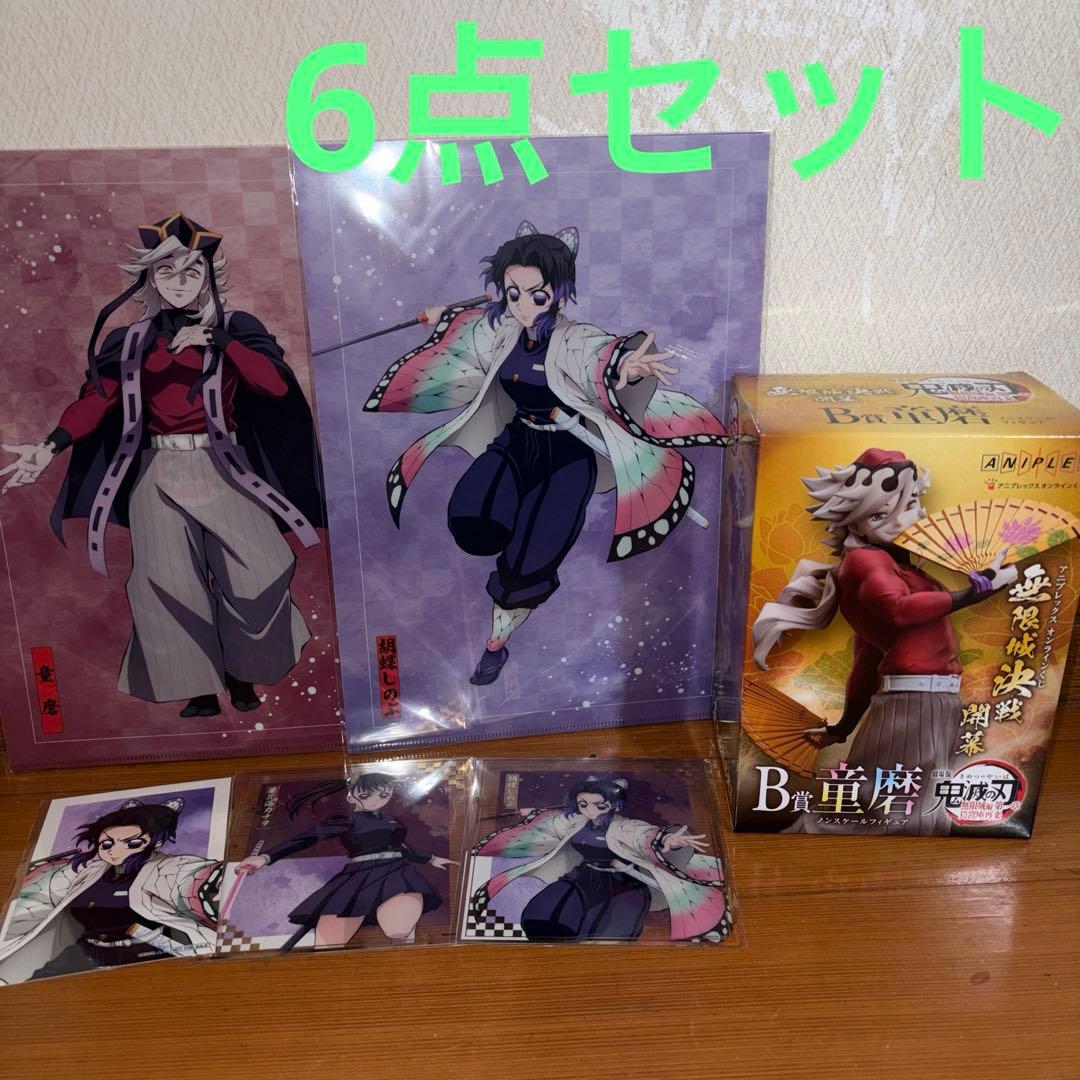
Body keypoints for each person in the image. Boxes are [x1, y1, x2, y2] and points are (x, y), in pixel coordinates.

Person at [365, 220, 732, 685]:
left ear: (558, 292)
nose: (523, 305)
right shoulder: (503, 327)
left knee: (527, 561)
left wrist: (629, 365)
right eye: (512, 293)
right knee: (472, 515)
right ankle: (503, 543)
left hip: (569, 456)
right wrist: (441, 317)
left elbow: (599, 355)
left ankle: (495, 642)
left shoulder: (573, 337)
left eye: (536, 295)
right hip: (519, 440)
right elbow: (471, 332)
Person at [0, 212, 325, 718]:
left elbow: (274, 384)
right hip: (157, 471)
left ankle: (241, 673)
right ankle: (198, 688)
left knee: (260, 571)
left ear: (208, 277)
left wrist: (218, 341)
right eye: (167, 271)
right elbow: (97, 400)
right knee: (164, 581)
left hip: (226, 466)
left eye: (191, 271)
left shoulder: (237, 328)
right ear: (150, 278)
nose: (179, 282)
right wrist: (48, 446)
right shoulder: (130, 341)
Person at [752, 448, 1019, 834]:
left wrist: (844, 726)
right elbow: (899, 609)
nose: (901, 522)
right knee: (888, 808)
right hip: (914, 704)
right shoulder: (865, 561)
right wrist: (976, 591)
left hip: (932, 701)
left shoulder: (899, 567)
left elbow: (865, 662)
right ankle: (807, 849)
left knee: (919, 808)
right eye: (879, 515)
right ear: (856, 520)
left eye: (910, 505)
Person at [470, 776, 730, 941]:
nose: (590, 810)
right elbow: (555, 821)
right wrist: (531, 812)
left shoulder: (623, 827)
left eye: (599, 805)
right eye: (584, 804)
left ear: (614, 805)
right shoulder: (578, 820)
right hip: (583, 876)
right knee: (544, 916)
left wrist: (667, 840)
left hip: (622, 884)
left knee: (606, 934)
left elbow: (643, 835)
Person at [0, 797, 220, 984]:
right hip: (84, 951)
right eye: (107, 844)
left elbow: (188, 879)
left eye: (132, 843)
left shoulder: (162, 868)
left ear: (156, 843)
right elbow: (44, 893)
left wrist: (213, 884)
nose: (115, 851)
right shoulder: (89, 869)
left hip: (145, 956)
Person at [235, 771, 454, 949]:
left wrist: (431, 859)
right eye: (367, 796)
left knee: (399, 928)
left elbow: (401, 847)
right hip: (358, 876)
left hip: (395, 872)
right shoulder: (347, 820)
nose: (376, 800)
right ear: (351, 797)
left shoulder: (391, 819)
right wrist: (265, 857)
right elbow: (306, 838)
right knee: (328, 941)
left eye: (383, 795)